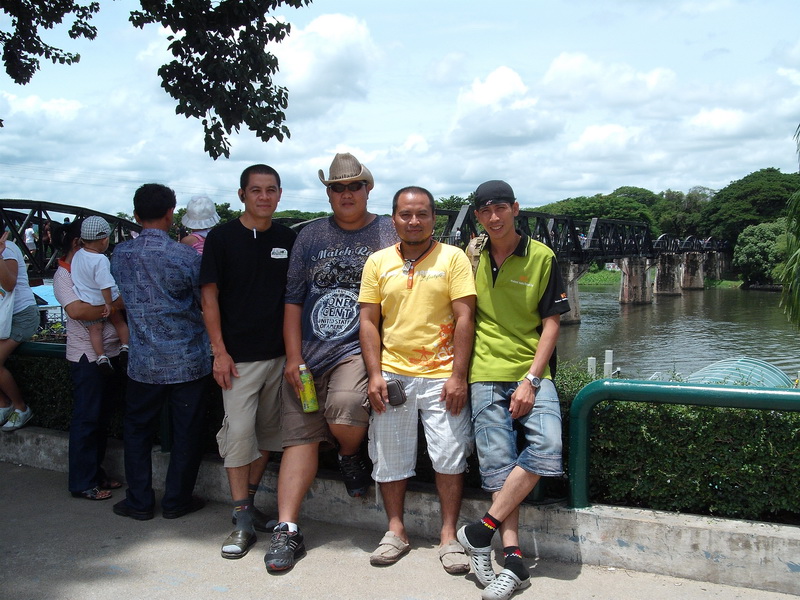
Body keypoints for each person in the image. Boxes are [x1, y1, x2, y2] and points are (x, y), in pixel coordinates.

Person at [265, 153, 397, 573]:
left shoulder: (389, 231)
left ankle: (348, 453)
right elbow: (293, 298)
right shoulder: (310, 236)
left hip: (356, 348)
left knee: (345, 402)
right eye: (338, 187)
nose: (346, 193)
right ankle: (287, 528)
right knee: (299, 437)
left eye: (354, 186)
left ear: (367, 189)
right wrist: (293, 357)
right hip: (310, 350)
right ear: (328, 194)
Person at [457, 180, 571, 600]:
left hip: (531, 372)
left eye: (501, 208)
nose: (494, 217)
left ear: (516, 209)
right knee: (498, 470)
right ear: (477, 216)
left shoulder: (542, 256)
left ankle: (480, 530)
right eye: (485, 211)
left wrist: (532, 380)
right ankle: (513, 561)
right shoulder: (471, 256)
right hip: (485, 372)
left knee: (548, 448)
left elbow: (553, 323)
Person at [358, 186, 476, 574]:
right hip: (393, 375)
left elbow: (465, 316)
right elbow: (368, 321)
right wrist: (374, 374)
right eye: (406, 214)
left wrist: (459, 375)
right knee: (390, 456)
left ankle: (448, 536)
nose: (414, 221)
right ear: (393, 218)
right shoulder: (377, 262)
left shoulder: (453, 258)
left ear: (434, 219)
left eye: (422, 214)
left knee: (450, 455)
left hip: (443, 376)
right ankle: (396, 531)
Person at [200, 165, 296, 560]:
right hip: (238, 361)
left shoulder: (288, 238)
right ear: (242, 194)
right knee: (239, 437)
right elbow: (208, 297)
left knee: (270, 437)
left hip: (280, 357)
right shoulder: (221, 238)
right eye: (256, 190)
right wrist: (219, 351)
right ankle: (240, 521)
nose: (264, 197)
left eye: (271, 190)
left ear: (279, 194)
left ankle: (249, 506)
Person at [110, 183, 212, 520]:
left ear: (136, 214)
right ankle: (176, 500)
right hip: (188, 361)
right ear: (171, 213)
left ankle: (139, 501)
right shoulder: (185, 257)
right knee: (187, 433)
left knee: (137, 431)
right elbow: (203, 302)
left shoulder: (120, 255)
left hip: (143, 363)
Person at [53, 219, 124, 500]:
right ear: (78, 242)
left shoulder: (90, 265)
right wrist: (110, 307)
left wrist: (108, 305)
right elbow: (77, 311)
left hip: (109, 352)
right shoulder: (63, 275)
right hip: (86, 357)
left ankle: (96, 473)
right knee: (87, 418)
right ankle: (82, 482)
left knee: (101, 417)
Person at [70, 216, 130, 371]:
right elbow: (105, 285)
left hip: (88, 301)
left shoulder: (78, 255)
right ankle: (125, 346)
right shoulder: (100, 259)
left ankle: (101, 357)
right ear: (104, 240)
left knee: (95, 330)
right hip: (105, 300)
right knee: (119, 322)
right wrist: (109, 304)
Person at [0, 221, 40, 432]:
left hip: (21, 315)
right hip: (4, 317)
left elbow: (9, 284)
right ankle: (3, 405)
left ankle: (20, 407)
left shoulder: (8, 249)